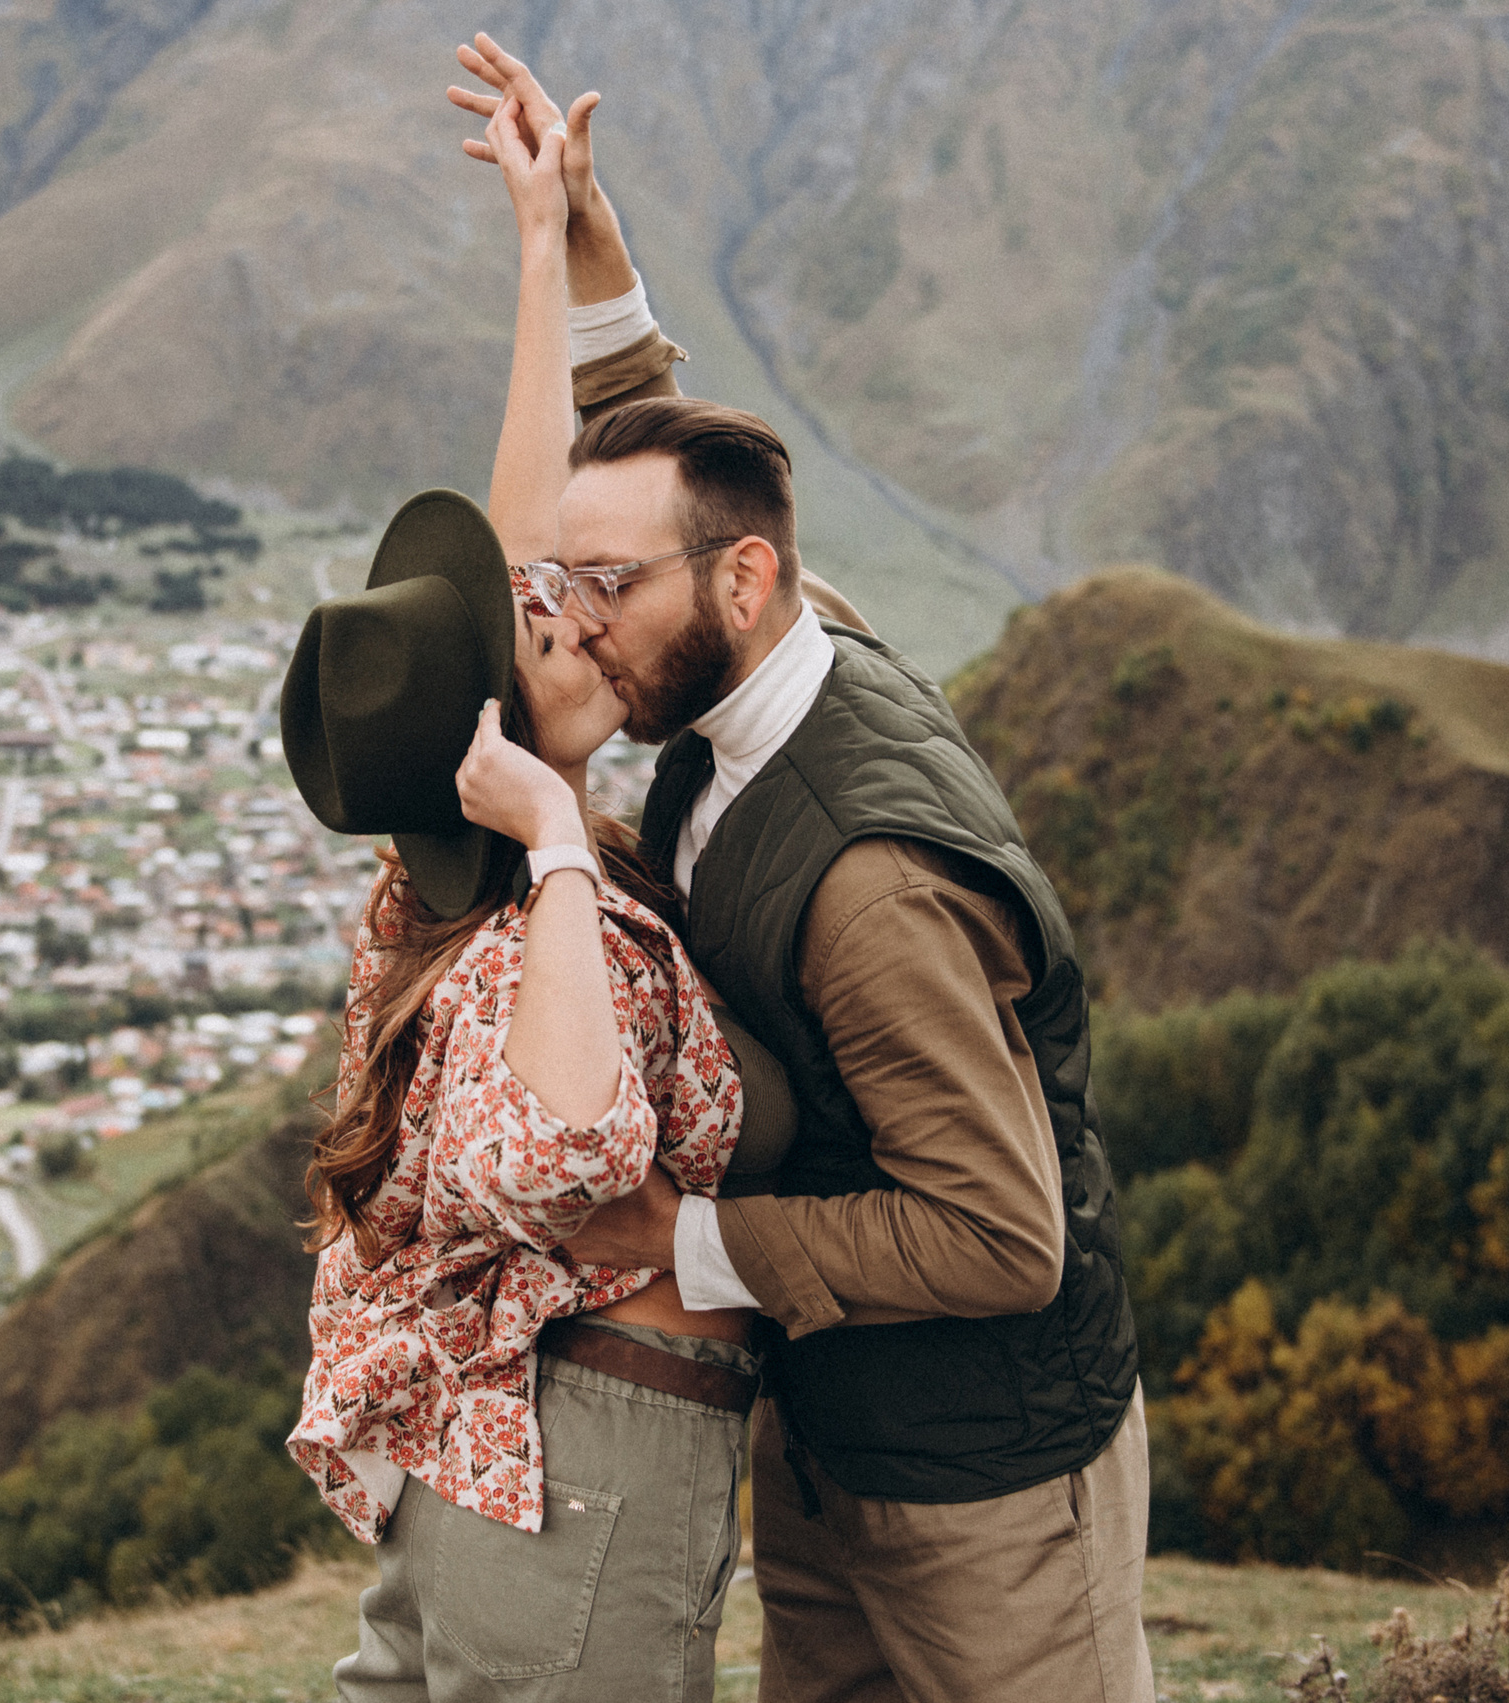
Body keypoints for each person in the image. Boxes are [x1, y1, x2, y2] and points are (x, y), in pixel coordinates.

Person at [451, 35, 1156, 1703]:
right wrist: (578, 240)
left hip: (990, 1476)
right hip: (843, 1423)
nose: (573, 619)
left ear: (745, 584)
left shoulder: (872, 885)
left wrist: (677, 1239)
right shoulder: (760, 640)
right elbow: (656, 473)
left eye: (601, 592)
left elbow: (1000, 1239)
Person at [281, 91, 792, 1703]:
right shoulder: (527, 913)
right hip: (584, 1473)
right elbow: (578, 1151)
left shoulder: (441, 880)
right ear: (487, 737)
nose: (569, 615)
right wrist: (563, 846)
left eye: (563, 597)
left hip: (487, 1466)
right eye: (539, 630)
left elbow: (524, 520)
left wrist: (536, 244)